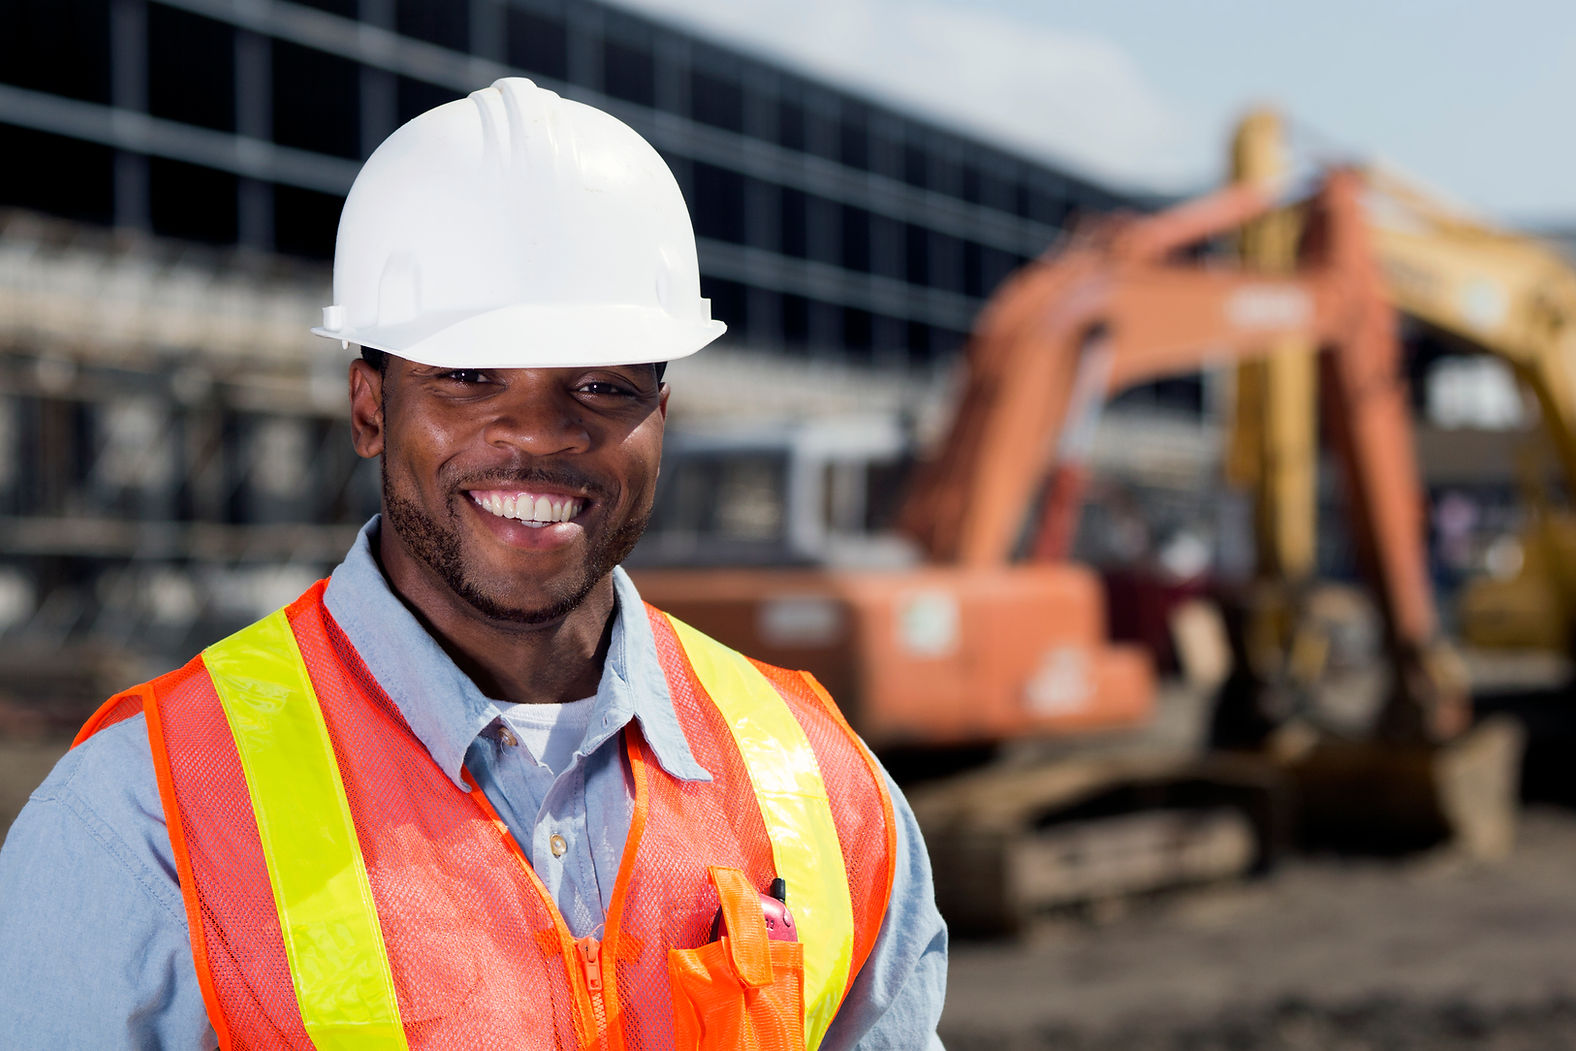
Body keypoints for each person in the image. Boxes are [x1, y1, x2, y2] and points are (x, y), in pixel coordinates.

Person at [0, 78, 947, 1048]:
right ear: (370, 407)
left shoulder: (824, 790)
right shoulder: (144, 825)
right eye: (468, 375)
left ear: (660, 421)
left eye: (599, 381)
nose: (537, 433)